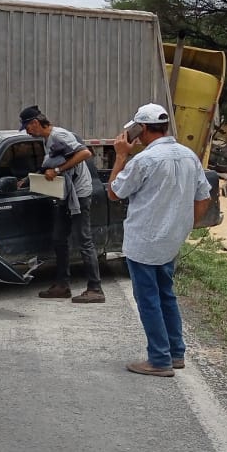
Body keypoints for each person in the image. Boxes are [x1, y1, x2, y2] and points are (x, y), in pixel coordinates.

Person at [108, 103, 213, 377]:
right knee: (166, 294)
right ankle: (176, 352)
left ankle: (159, 359)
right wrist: (186, 225)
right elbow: (204, 197)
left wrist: (120, 157)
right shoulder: (189, 155)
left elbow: (115, 192)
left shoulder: (144, 160)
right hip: (171, 240)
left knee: (148, 299)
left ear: (141, 128)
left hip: (144, 241)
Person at [18, 105, 103, 303]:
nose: (28, 132)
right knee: (58, 238)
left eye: (28, 128)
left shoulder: (59, 135)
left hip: (79, 193)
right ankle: (62, 285)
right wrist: (30, 178)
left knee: (84, 239)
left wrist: (56, 171)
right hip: (64, 193)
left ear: (35, 123)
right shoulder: (47, 140)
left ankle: (95, 288)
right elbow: (53, 162)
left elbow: (85, 154)